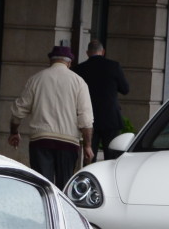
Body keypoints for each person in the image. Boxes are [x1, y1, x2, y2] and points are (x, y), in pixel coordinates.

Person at [7, 45, 94, 188]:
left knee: (42, 186)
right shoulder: (79, 82)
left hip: (41, 141)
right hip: (68, 143)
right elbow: (85, 119)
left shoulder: (36, 79)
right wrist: (88, 146)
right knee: (64, 187)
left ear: (50, 61)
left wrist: (14, 132)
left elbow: (18, 110)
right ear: (69, 63)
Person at [73, 40, 130, 154]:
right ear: (103, 52)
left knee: (89, 154)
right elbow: (125, 89)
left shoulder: (79, 69)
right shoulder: (114, 66)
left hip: (89, 118)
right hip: (110, 118)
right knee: (112, 155)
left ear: (87, 53)